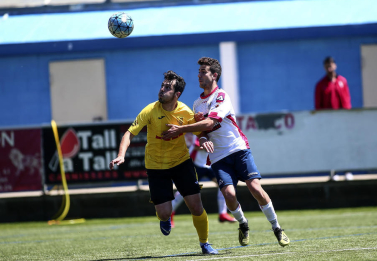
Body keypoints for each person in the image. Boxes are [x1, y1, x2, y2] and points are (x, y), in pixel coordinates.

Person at [162, 57, 290, 247]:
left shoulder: (221, 96)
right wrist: (203, 139)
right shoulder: (197, 104)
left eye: (203, 72)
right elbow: (203, 132)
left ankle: (277, 228)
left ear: (214, 75)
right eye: (199, 72)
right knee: (229, 195)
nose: (199, 75)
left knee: (255, 188)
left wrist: (180, 129)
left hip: (238, 149)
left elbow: (210, 122)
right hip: (218, 157)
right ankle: (243, 224)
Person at [109, 70, 218, 255]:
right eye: (162, 85)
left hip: (181, 163)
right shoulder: (150, 110)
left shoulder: (185, 111)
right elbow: (129, 133)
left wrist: (204, 139)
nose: (162, 89)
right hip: (156, 166)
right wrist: (121, 154)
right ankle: (164, 218)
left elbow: (200, 132)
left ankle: (205, 243)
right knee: (164, 212)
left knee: (196, 206)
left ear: (177, 94)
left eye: (167, 87)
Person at [171, 133, 236, 227]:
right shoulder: (199, 126)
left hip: (209, 164)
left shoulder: (214, 125)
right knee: (185, 190)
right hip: (196, 163)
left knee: (224, 185)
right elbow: (197, 145)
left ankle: (223, 214)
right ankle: (169, 214)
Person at [315, 56, 353, 181]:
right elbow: (318, 105)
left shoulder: (342, 81)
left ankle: (347, 170)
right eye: (327, 65)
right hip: (328, 123)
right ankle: (333, 171)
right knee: (331, 146)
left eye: (331, 64)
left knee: (344, 145)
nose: (329, 67)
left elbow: (347, 101)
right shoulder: (321, 85)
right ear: (324, 67)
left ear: (335, 65)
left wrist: (347, 117)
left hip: (342, 121)